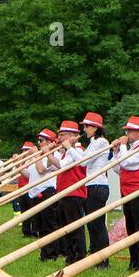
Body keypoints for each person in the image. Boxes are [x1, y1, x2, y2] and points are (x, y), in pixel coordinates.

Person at [113, 117, 139, 270]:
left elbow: (126, 163)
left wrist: (123, 147)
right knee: (131, 227)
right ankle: (134, 260)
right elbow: (118, 168)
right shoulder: (130, 148)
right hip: (127, 191)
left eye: (130, 130)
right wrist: (116, 151)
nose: (127, 133)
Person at [44, 120, 88, 264]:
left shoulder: (78, 150)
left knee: (74, 227)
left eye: (63, 135)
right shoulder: (67, 152)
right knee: (65, 227)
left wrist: (47, 154)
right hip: (64, 193)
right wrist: (49, 153)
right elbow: (55, 164)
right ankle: (70, 255)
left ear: (72, 135)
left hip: (74, 193)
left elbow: (62, 166)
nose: (60, 138)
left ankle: (79, 255)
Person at [80, 112, 113, 268]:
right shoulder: (93, 142)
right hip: (91, 186)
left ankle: (103, 260)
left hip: (98, 186)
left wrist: (70, 148)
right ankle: (94, 257)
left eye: (87, 126)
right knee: (92, 224)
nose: (84, 129)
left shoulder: (101, 142)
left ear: (95, 128)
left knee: (98, 224)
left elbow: (84, 162)